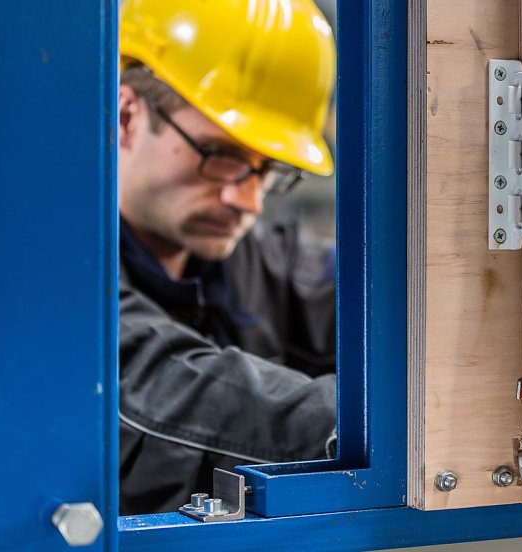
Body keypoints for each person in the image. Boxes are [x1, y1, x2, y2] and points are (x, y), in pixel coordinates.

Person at [116, 0, 339, 515]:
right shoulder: (37, 271)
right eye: (222, 157)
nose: (249, 201)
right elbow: (162, 380)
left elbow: (363, 292)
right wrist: (392, 423)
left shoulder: (253, 261)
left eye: (266, 170)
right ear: (127, 115)